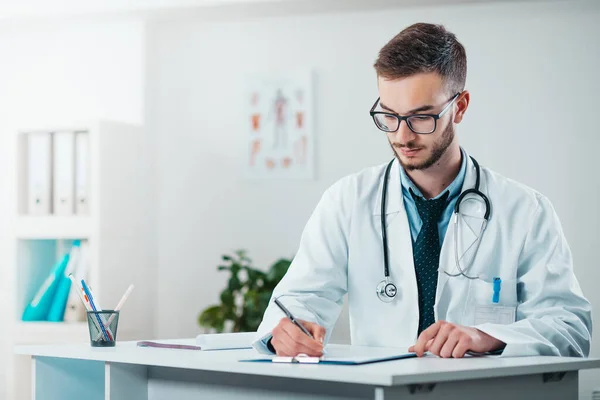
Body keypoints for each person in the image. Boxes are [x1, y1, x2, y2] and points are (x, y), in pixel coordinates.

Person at [252, 22, 592, 359]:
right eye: (390, 116)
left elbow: (570, 328)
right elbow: (299, 299)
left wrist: (489, 336)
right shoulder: (346, 202)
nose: (402, 136)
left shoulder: (525, 211)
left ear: (459, 107)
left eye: (421, 117)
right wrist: (287, 331)